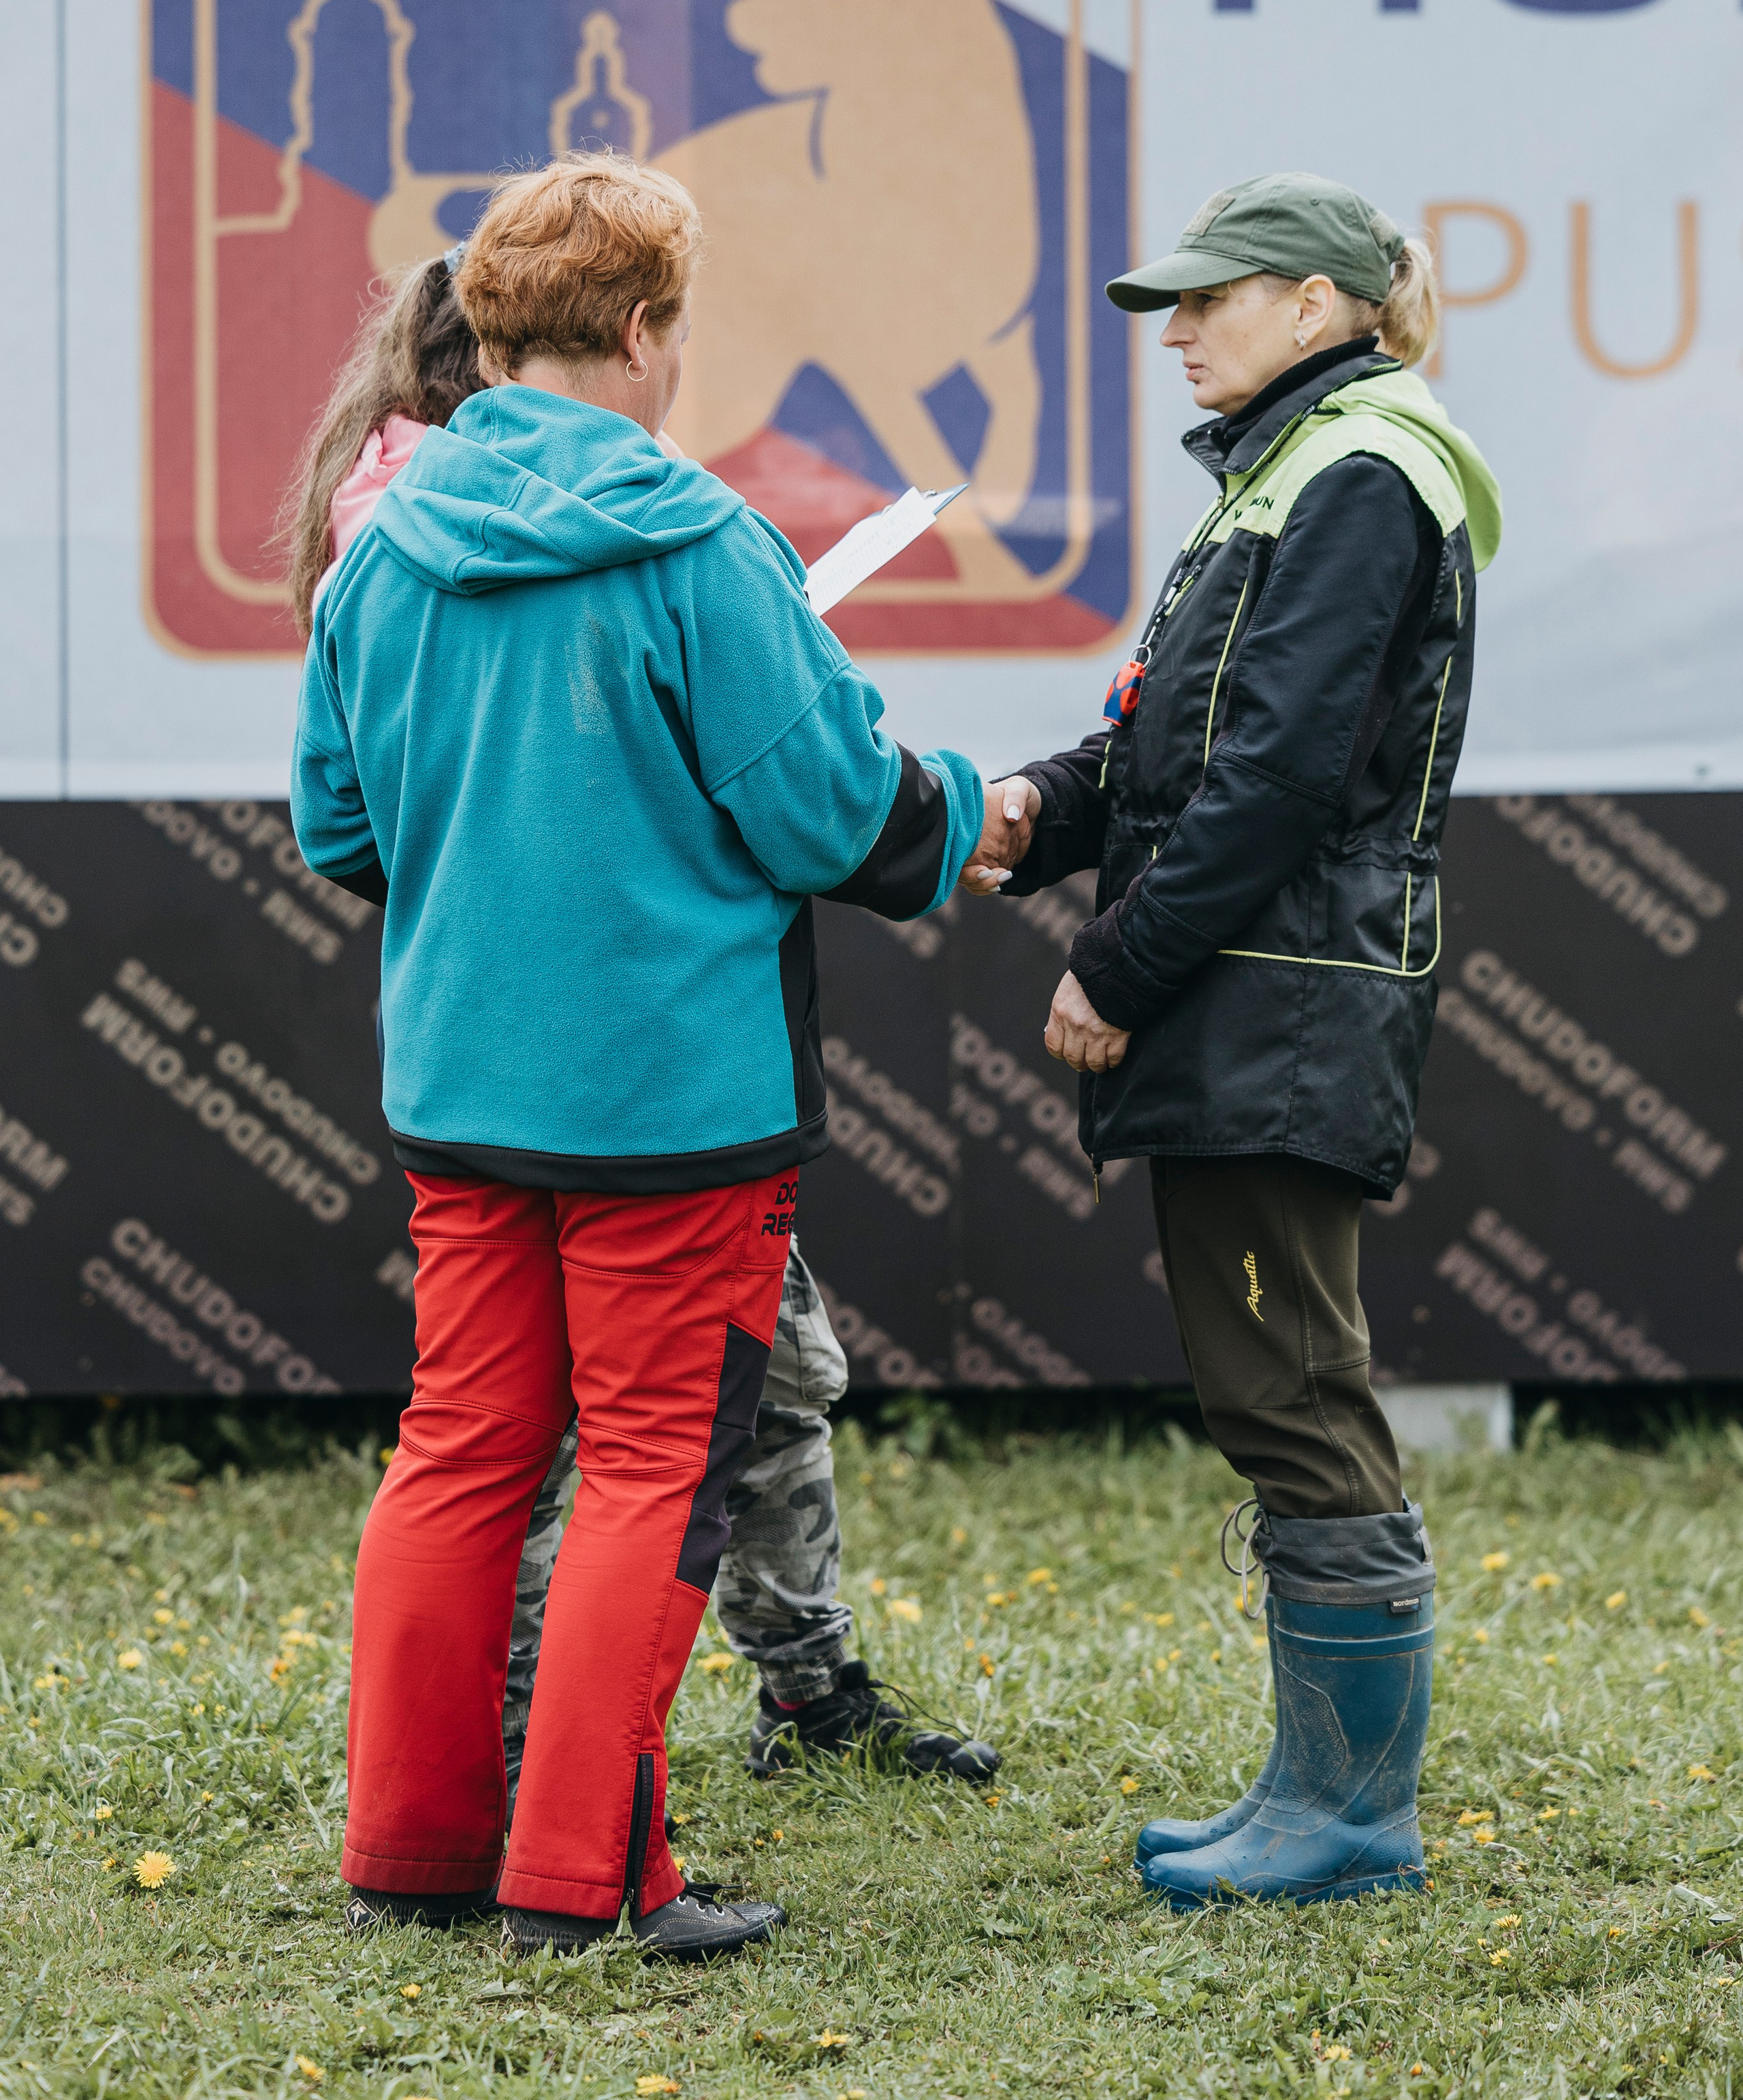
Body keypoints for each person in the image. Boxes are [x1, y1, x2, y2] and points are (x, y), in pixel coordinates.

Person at [289, 153, 1005, 1962]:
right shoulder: (702, 544)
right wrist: (975, 807)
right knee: (646, 1477)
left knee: (458, 1454)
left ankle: (412, 1854)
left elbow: (338, 824)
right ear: (640, 330)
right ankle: (585, 1883)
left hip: (461, 1087)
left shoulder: (378, 543)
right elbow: (834, 810)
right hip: (676, 1108)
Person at [987, 174, 1501, 1909]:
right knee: (1271, 1385)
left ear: (1320, 306)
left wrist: (1114, 967)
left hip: (1279, 998)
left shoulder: (1361, 470)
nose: (1178, 330)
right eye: (1173, 305)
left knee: (1290, 1391)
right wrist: (1026, 811)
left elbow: (1274, 780)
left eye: (1212, 299)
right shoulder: (1299, 465)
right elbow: (1164, 741)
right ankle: (1312, 1790)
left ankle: (1349, 1819)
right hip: (1260, 994)